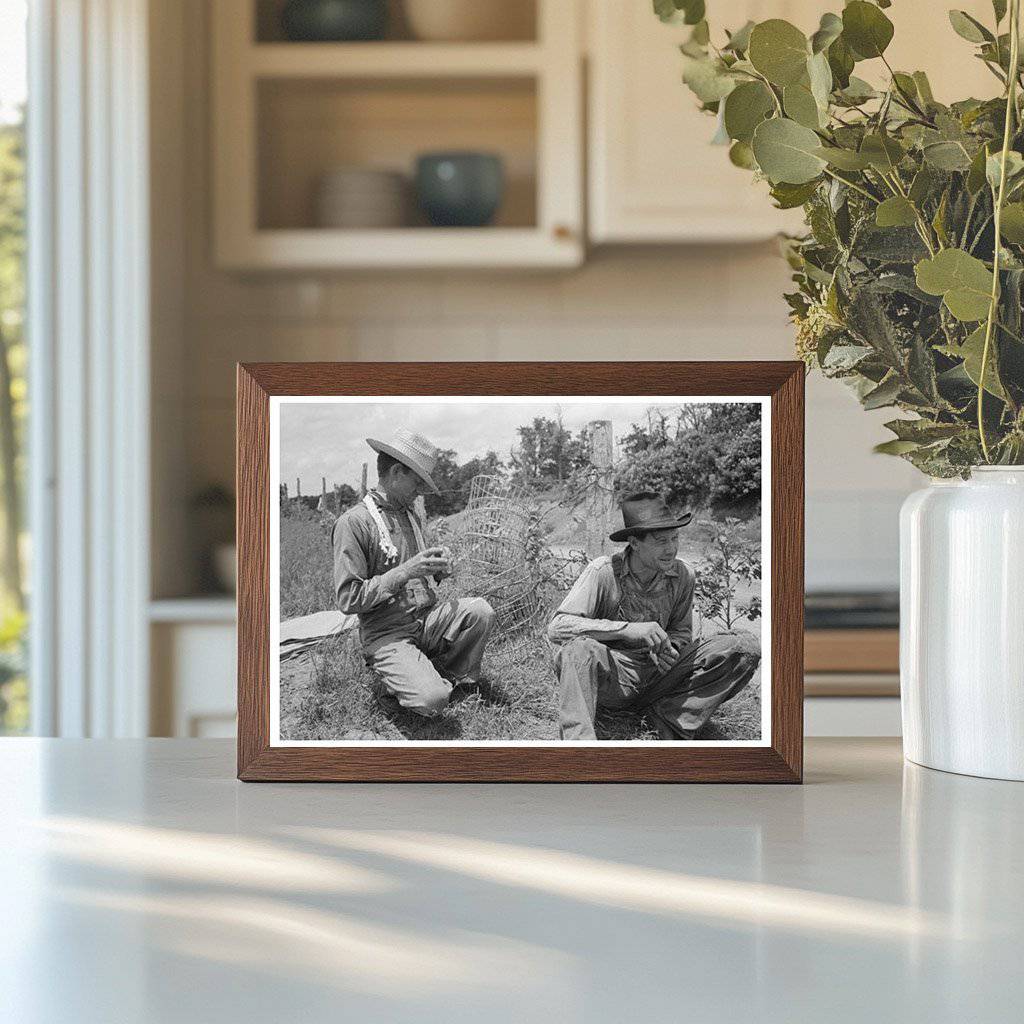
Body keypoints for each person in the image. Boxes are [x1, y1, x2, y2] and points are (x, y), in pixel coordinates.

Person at [547, 491, 760, 740]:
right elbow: (558, 627)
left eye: (674, 538)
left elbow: (681, 631)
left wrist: (672, 649)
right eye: (661, 541)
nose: (671, 549)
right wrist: (627, 630)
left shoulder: (683, 575)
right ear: (635, 543)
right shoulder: (603, 572)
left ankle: (668, 718)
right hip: (613, 679)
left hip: (661, 678)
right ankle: (580, 745)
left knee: (743, 646)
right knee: (576, 650)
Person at [332, 428, 495, 717]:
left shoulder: (410, 514)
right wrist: (405, 571)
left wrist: (439, 568)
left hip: (425, 619)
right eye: (417, 482)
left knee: (480, 611)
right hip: (387, 632)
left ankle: (450, 676)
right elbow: (349, 599)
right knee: (433, 700)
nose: (420, 491)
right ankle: (397, 679)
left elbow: (418, 570)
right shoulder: (354, 523)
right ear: (397, 472)